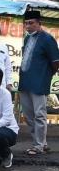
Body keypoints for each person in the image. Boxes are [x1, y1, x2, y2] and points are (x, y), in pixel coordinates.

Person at [19, 10, 59, 155]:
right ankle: (43, 142)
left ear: (39, 23)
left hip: (39, 83)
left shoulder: (48, 39)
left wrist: (46, 75)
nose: (28, 26)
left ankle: (38, 146)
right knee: (29, 116)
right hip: (25, 83)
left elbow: (56, 62)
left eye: (31, 23)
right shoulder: (27, 39)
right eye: (26, 24)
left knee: (39, 115)